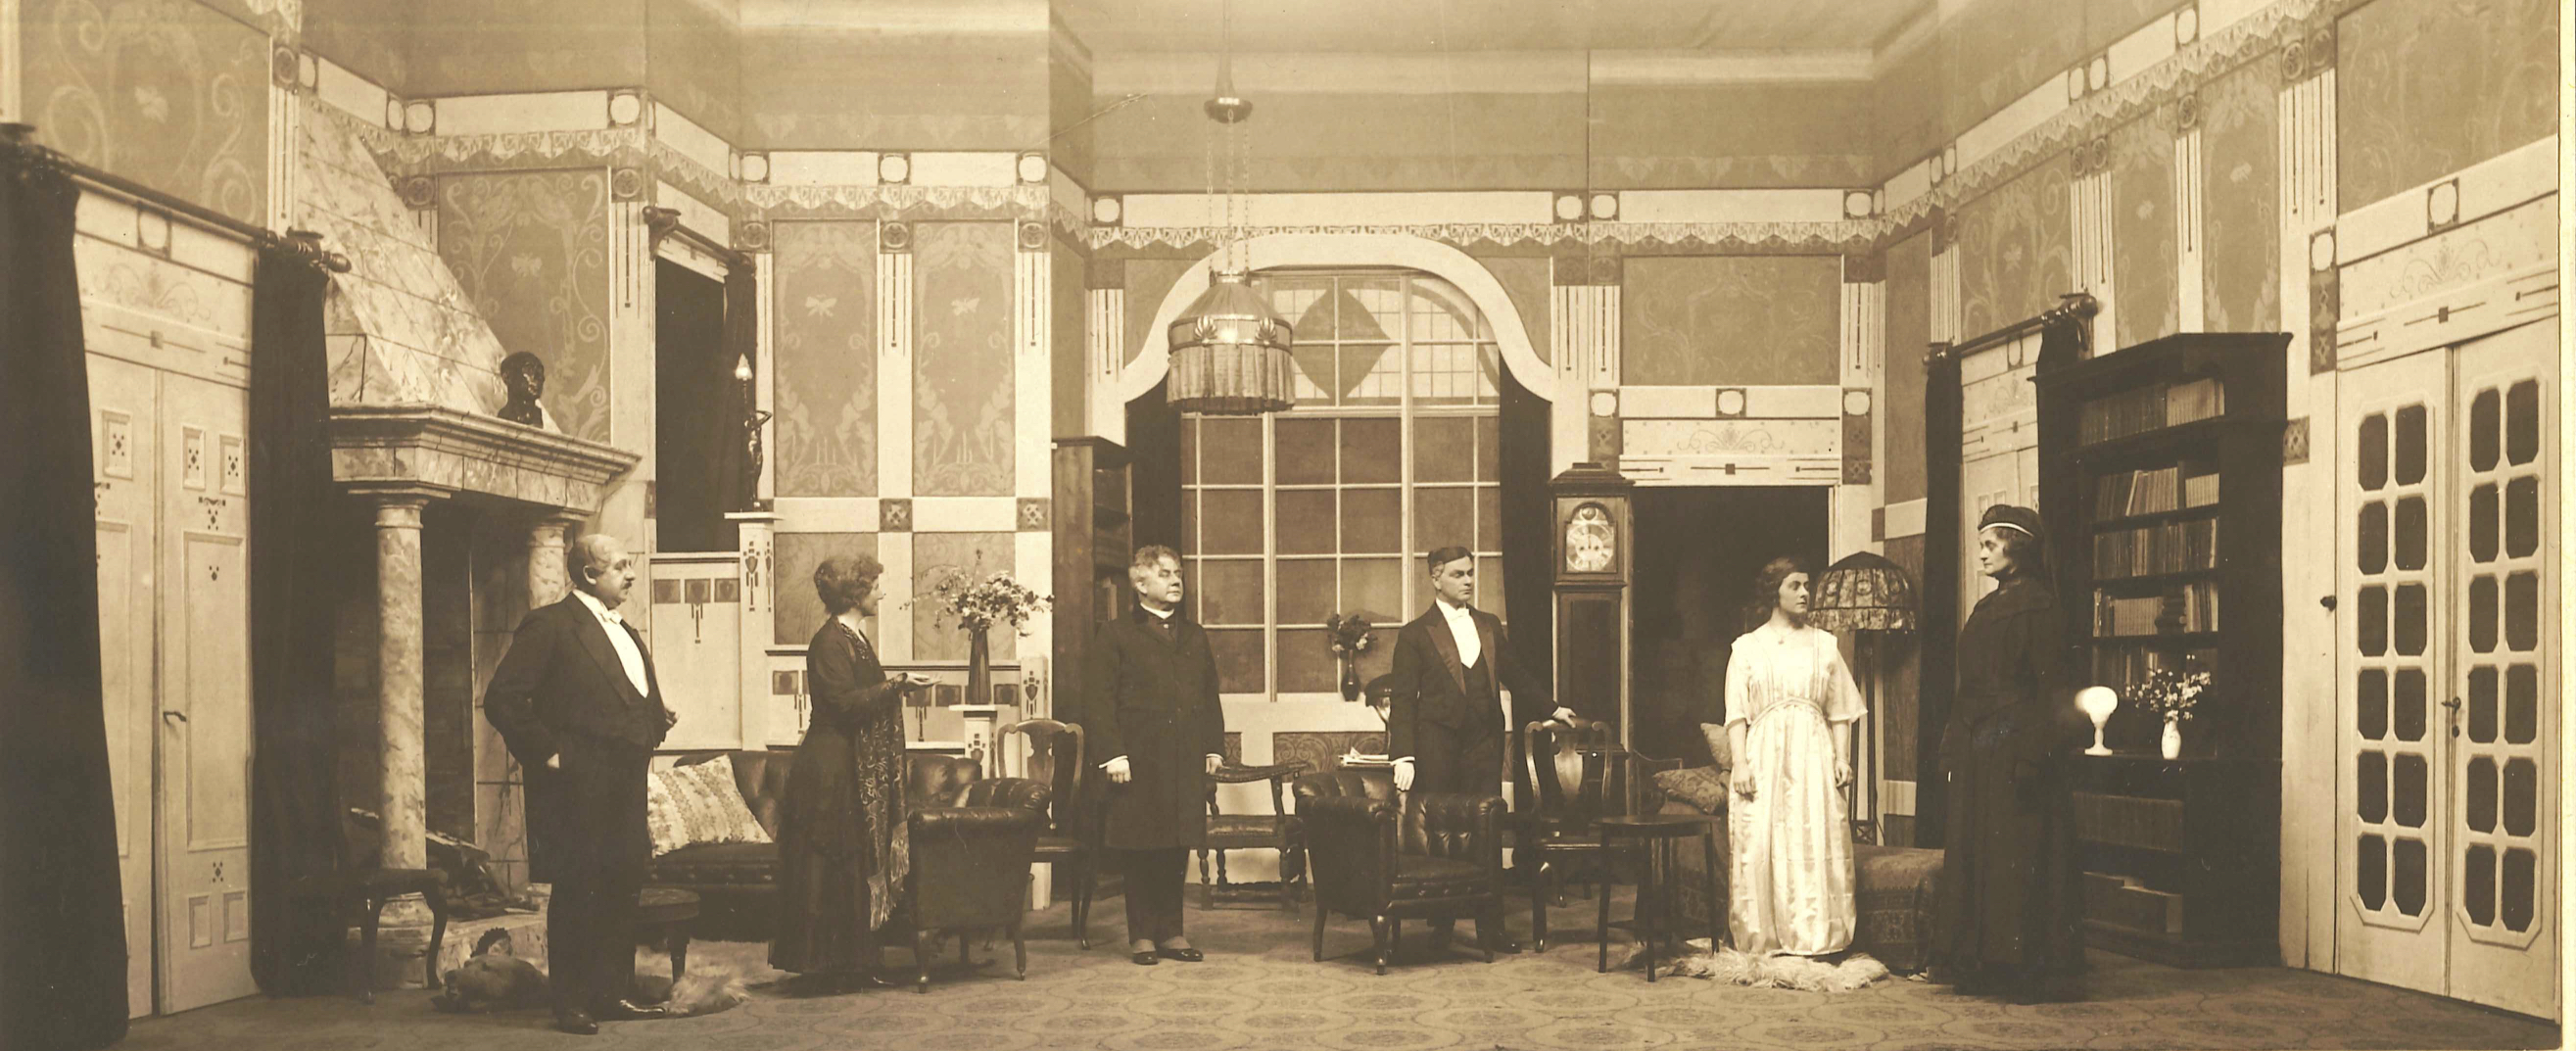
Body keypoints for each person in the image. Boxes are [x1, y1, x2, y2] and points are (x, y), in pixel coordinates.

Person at [482, 534, 676, 1035]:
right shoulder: (550, 624)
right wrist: (548, 753)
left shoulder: (626, 629)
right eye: (621, 566)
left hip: (625, 784)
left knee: (621, 885)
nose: (631, 574)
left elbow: (625, 697)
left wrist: (654, 719)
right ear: (589, 574)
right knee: (578, 890)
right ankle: (571, 1003)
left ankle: (611, 994)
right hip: (576, 787)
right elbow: (502, 697)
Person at [1386, 546, 1575, 953]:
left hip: (1484, 745)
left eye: (1470, 573)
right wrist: (1403, 755)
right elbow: (1402, 699)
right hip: (1436, 746)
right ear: (1436, 578)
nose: (1469, 581)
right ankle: (1441, 927)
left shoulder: (1488, 625)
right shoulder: (1414, 634)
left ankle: (1492, 928)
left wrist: (1553, 708)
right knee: (1441, 835)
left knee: (1486, 833)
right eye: (1458, 574)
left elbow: (1515, 675)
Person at [1932, 503, 2086, 1002]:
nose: (1981, 554)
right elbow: (1969, 685)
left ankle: (2021, 969)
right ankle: (1979, 963)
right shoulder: (1985, 608)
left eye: (1990, 545)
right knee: (1977, 852)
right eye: (1980, 545)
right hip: (1978, 746)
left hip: (2019, 745)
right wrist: (1954, 745)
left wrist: (2032, 755)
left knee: (2017, 856)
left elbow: (2051, 690)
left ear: (2017, 549)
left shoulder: (2042, 608)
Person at [771, 555, 933, 987]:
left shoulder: (853, 637)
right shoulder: (829, 642)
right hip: (830, 767)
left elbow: (861, 697)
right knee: (833, 863)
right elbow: (843, 705)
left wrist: (896, 684)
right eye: (875, 586)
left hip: (849, 761)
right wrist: (897, 684)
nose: (882, 593)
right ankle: (829, 967)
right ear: (855, 593)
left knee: (853, 862)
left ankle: (854, 964)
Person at [1080, 546, 1226, 966]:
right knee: (1141, 846)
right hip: (1137, 761)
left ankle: (1172, 933)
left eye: (1178, 573)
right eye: (1165, 574)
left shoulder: (1195, 635)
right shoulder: (1116, 634)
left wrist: (1213, 746)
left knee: (1176, 845)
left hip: (1183, 759)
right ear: (1140, 584)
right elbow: (1099, 700)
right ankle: (1142, 936)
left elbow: (1209, 695)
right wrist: (1113, 754)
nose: (1176, 580)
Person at [1723, 554, 1866, 957]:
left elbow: (1840, 712)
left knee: (1814, 835)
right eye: (1795, 586)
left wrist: (1842, 758)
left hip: (1813, 754)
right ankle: (1764, 936)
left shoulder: (1825, 645)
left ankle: (1815, 935)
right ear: (1775, 592)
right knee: (1761, 841)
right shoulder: (1747, 648)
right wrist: (1740, 764)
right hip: (1764, 755)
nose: (1805, 593)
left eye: (1807, 585)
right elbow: (1736, 714)